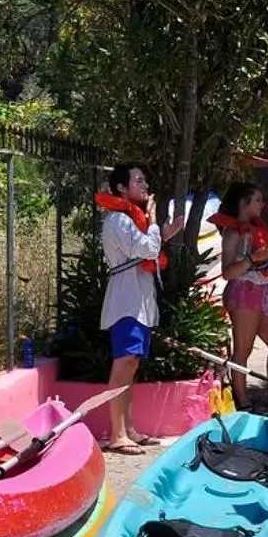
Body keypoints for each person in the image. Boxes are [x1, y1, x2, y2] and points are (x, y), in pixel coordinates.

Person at [95, 164, 187, 455]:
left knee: (131, 365)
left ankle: (129, 429)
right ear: (121, 188)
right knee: (123, 363)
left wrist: (163, 232)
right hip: (127, 302)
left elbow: (146, 246)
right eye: (139, 180)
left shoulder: (132, 221)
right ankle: (116, 433)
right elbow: (147, 249)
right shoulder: (120, 221)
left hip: (139, 300)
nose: (145, 184)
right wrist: (157, 222)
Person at [213, 181, 268, 411]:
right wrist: (252, 259)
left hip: (263, 291)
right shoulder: (233, 233)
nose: (263, 205)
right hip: (243, 293)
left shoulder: (260, 230)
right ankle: (243, 402)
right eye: (258, 201)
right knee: (243, 349)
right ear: (245, 203)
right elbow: (227, 272)